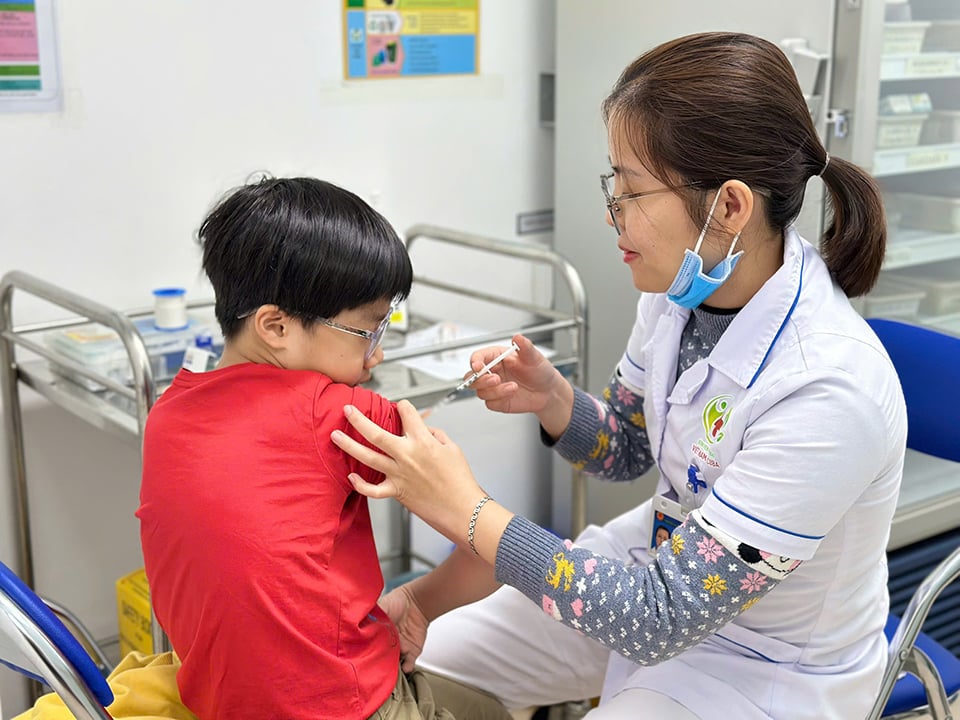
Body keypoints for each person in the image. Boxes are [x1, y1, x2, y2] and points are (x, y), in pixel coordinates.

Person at [329, 32, 907, 720]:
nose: (613, 215)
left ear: (728, 208)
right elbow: (629, 445)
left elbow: (659, 616)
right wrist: (555, 401)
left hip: (765, 666)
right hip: (647, 575)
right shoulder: (681, 293)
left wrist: (467, 509)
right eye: (614, 183)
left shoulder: (829, 390)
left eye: (630, 191)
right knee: (423, 660)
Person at [137, 176, 498, 720]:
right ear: (276, 326)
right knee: (492, 709)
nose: (374, 358)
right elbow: (490, 553)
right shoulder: (341, 414)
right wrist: (418, 604)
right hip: (347, 707)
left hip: (219, 705)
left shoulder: (168, 414)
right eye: (367, 332)